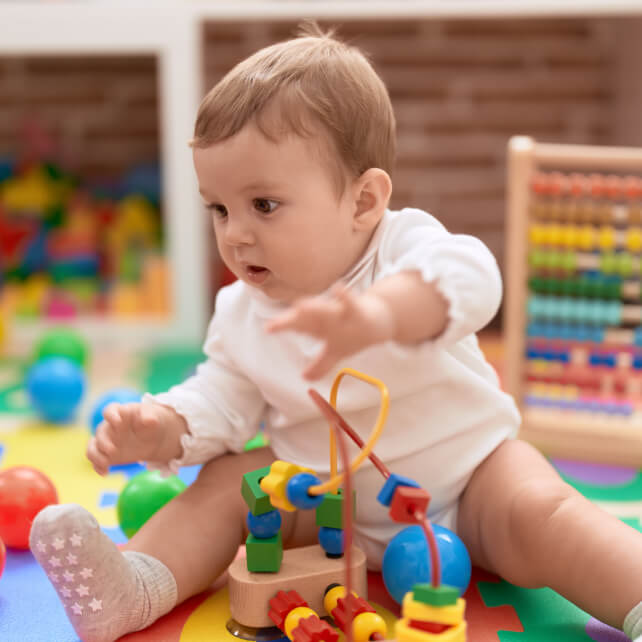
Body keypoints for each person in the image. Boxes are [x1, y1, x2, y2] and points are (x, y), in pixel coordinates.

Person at [30, 23, 642, 642]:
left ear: (363, 202)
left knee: (544, 513)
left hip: (470, 482)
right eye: (219, 208)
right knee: (226, 484)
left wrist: (382, 314)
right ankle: (135, 585)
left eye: (263, 205)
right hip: (324, 507)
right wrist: (165, 426)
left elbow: (471, 275)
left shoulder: (400, 248)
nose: (235, 233)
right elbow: (222, 398)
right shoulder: (242, 308)